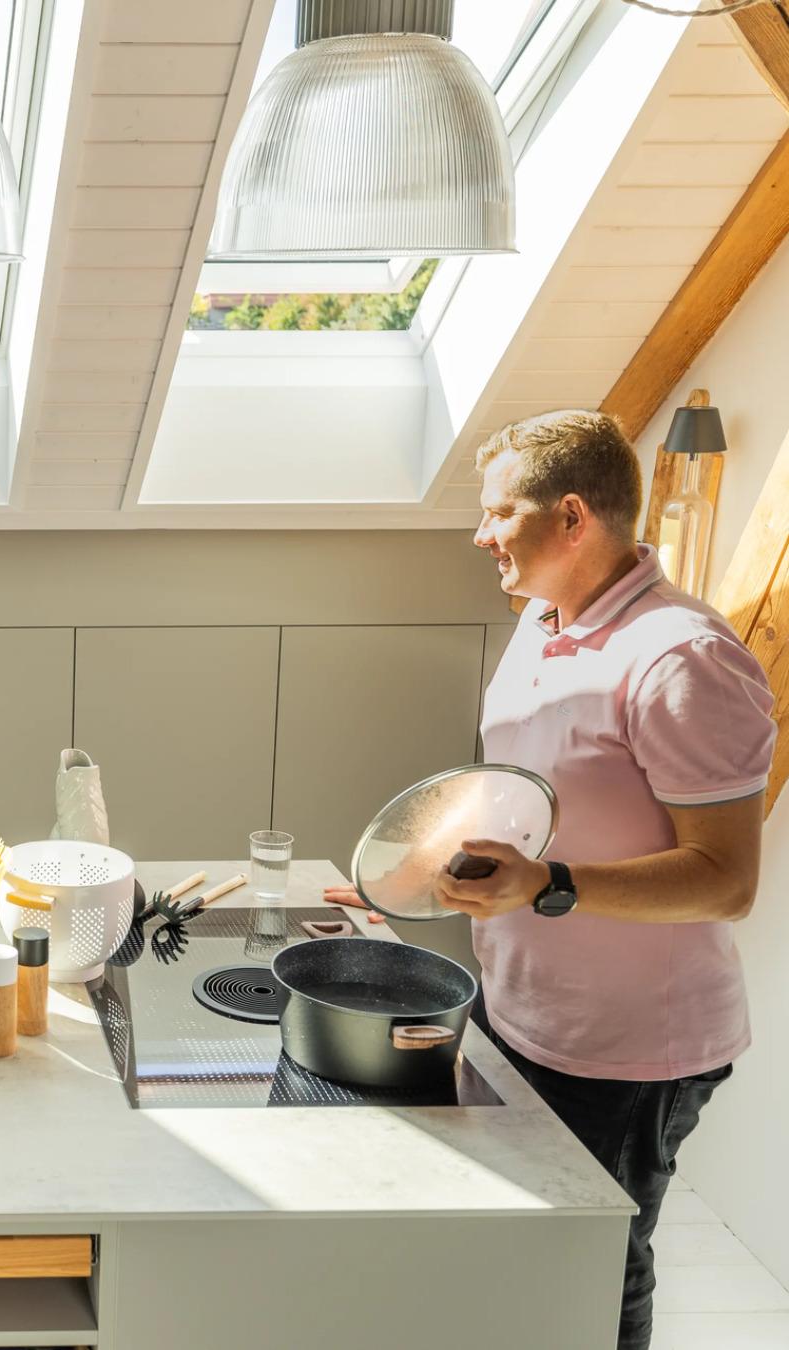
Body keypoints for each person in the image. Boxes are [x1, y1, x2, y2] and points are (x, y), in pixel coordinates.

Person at [327, 410, 776, 1350]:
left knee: (598, 1268)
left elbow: (727, 880)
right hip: (521, 1009)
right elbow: (515, 800)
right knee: (514, 1250)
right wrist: (397, 885)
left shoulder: (681, 658)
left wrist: (548, 887)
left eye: (499, 511)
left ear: (572, 516)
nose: (481, 533)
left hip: (630, 1051)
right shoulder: (542, 619)